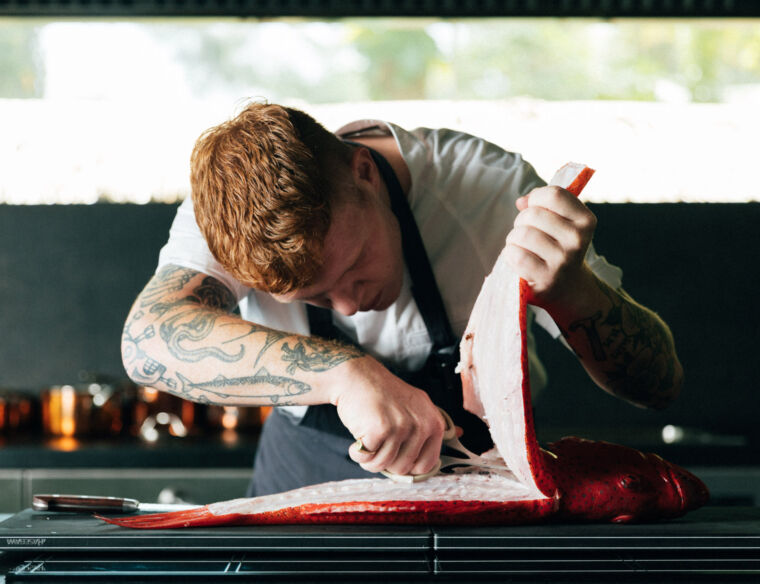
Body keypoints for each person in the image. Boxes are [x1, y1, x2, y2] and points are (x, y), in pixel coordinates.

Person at [121, 101, 683, 496]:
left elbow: (658, 384)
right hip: (303, 478)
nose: (346, 306)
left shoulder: (490, 192)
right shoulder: (228, 219)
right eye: (315, 298)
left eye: (354, 266)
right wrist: (346, 376)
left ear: (363, 171)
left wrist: (571, 290)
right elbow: (147, 341)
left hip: (487, 482)